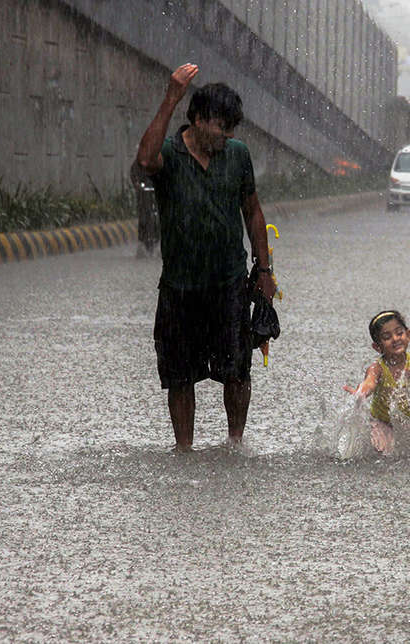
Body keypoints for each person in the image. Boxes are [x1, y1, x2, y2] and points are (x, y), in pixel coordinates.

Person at [135, 63, 276, 449]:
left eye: (232, 128)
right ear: (197, 119)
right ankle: (184, 449)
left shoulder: (237, 155)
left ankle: (235, 444)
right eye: (220, 127)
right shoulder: (169, 153)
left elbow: (253, 210)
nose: (227, 136)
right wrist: (170, 97)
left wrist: (264, 269)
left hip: (228, 283)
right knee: (180, 376)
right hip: (180, 286)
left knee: (237, 371)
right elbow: (145, 162)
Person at [343, 310, 410, 456]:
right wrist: (362, 392)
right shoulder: (377, 368)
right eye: (387, 337)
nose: (395, 339)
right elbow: (369, 382)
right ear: (377, 347)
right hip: (382, 421)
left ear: (408, 335)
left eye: (399, 333)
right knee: (382, 451)